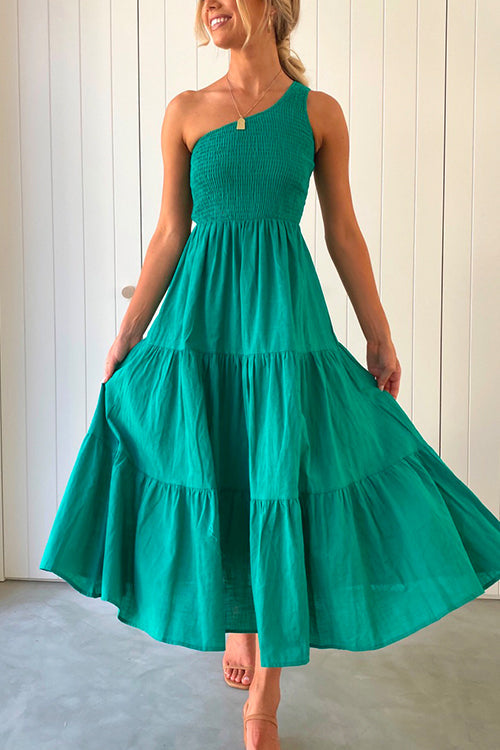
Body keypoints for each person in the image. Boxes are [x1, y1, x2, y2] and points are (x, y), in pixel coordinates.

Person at [40, 1, 500, 749]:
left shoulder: (318, 114)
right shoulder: (186, 111)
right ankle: (239, 624)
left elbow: (342, 230)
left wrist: (379, 334)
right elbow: (171, 231)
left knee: (276, 480)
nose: (212, 4)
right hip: (201, 324)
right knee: (217, 466)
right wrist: (127, 335)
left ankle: (267, 688)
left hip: (283, 325)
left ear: (276, 5)